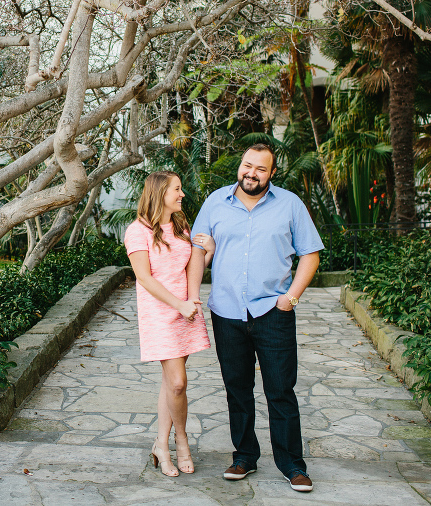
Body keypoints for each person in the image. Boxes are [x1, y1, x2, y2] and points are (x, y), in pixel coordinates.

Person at [187, 143, 323, 493]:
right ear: (240, 165)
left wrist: (290, 298)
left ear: (272, 173)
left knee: (280, 390)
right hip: (227, 311)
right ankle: (244, 456)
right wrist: (190, 295)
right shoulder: (216, 202)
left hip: (273, 313)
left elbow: (310, 254)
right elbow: (197, 251)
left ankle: (292, 464)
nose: (252, 173)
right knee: (237, 389)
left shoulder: (290, 204)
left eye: (261, 169)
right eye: (248, 166)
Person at [124, 171, 214, 477]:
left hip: (185, 311)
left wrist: (207, 251)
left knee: (170, 383)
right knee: (177, 383)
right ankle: (182, 441)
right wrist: (179, 305)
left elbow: (190, 265)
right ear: (161, 192)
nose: (182, 194)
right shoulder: (138, 231)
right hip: (161, 314)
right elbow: (144, 278)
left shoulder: (180, 225)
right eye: (177, 189)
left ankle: (161, 444)